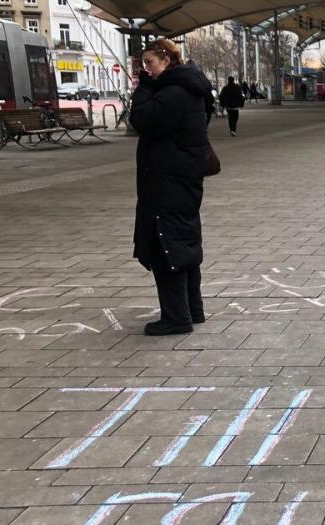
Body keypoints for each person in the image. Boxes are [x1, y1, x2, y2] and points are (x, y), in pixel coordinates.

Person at [129, 39, 211, 336]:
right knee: (184, 241)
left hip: (167, 180)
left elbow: (142, 120)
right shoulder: (190, 88)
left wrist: (144, 88)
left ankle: (177, 317)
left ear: (166, 60)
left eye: (150, 63)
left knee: (166, 246)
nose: (146, 70)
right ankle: (193, 309)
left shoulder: (173, 93)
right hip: (183, 178)